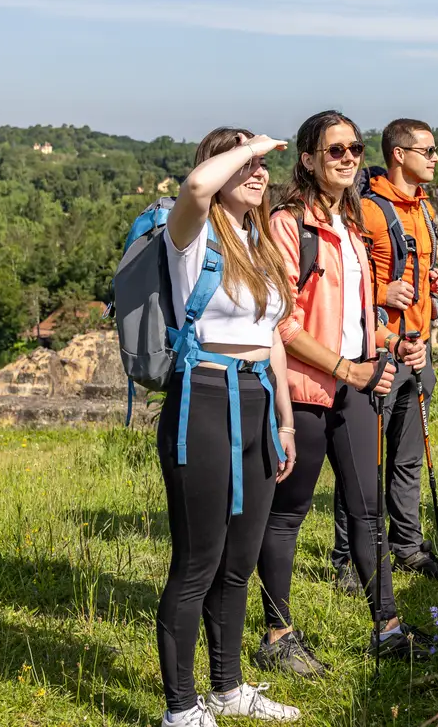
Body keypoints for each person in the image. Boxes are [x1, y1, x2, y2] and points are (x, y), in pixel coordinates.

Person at [256, 111, 427, 674]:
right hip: (305, 390)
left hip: (355, 383)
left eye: (354, 148)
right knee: (287, 515)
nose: (349, 158)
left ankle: (389, 628)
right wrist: (347, 369)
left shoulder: (352, 223)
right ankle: (278, 635)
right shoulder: (287, 225)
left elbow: (351, 316)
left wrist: (388, 342)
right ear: (308, 159)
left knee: (367, 511)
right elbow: (281, 324)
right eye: (335, 150)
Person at [155, 128, 302, 725]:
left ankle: (227, 687)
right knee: (198, 562)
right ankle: (180, 708)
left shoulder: (256, 239)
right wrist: (253, 145)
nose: (258, 172)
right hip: (205, 400)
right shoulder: (191, 234)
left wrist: (286, 421)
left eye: (263, 165)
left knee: (239, 560)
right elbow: (195, 185)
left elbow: (269, 337)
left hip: (258, 402)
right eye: (244, 164)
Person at [358, 118, 438, 579]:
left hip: (418, 350)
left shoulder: (423, 209)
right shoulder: (369, 210)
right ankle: (352, 560)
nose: (436, 158)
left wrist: (436, 280)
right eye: (428, 151)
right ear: (399, 154)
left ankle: (408, 546)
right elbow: (345, 284)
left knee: (409, 458)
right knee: (365, 463)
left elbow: (416, 272)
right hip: (378, 352)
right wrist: (380, 295)